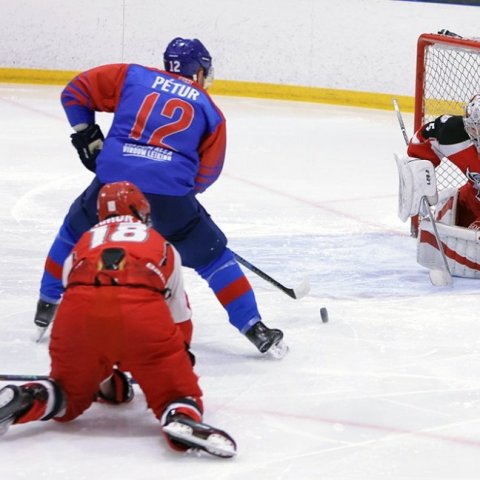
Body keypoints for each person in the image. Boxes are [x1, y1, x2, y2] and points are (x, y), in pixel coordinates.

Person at [33, 37, 286, 357]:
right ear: (199, 71)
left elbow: (75, 92)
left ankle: (47, 303)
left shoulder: (131, 75)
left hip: (110, 186)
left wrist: (86, 133)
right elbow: (208, 172)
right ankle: (254, 327)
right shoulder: (209, 108)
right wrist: (179, 196)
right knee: (214, 258)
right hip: (171, 199)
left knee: (72, 233)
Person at [0, 181, 236, 458]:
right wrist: (179, 358)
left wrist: (99, 364)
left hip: (77, 316)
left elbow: (74, 296)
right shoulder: (161, 244)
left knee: (68, 393)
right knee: (175, 393)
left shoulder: (83, 242)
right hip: (141, 316)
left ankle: (27, 396)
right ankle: (179, 415)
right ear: (141, 211)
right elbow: (178, 313)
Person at [407, 94, 480, 228]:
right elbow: (419, 143)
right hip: (470, 203)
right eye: (477, 127)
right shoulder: (453, 134)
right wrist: (419, 176)